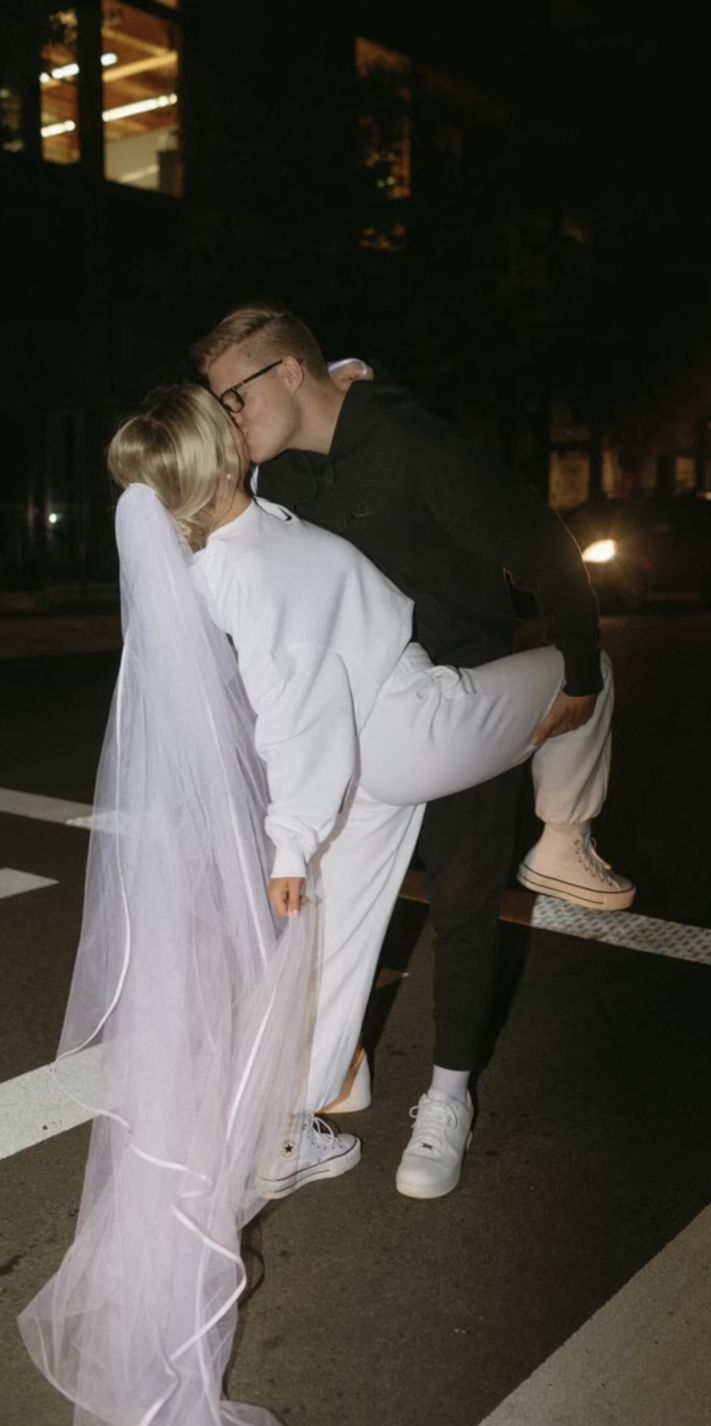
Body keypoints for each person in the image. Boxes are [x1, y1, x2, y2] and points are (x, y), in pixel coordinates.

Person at [21, 384, 628, 1426]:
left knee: (331, 952)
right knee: (587, 666)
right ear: (222, 464)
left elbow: (292, 691)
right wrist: (291, 840)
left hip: (365, 766)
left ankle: (285, 1126)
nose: (237, 414)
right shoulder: (259, 566)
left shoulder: (216, 553)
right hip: (404, 726)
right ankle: (565, 840)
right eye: (227, 414)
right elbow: (300, 721)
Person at [192, 302, 634, 1199]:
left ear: (286, 373)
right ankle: (324, 1080)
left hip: (461, 704)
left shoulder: (414, 447)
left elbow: (548, 553)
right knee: (327, 913)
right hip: (354, 729)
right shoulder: (271, 480)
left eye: (234, 398)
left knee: (468, 902)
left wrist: (579, 676)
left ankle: (449, 1094)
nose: (227, 422)